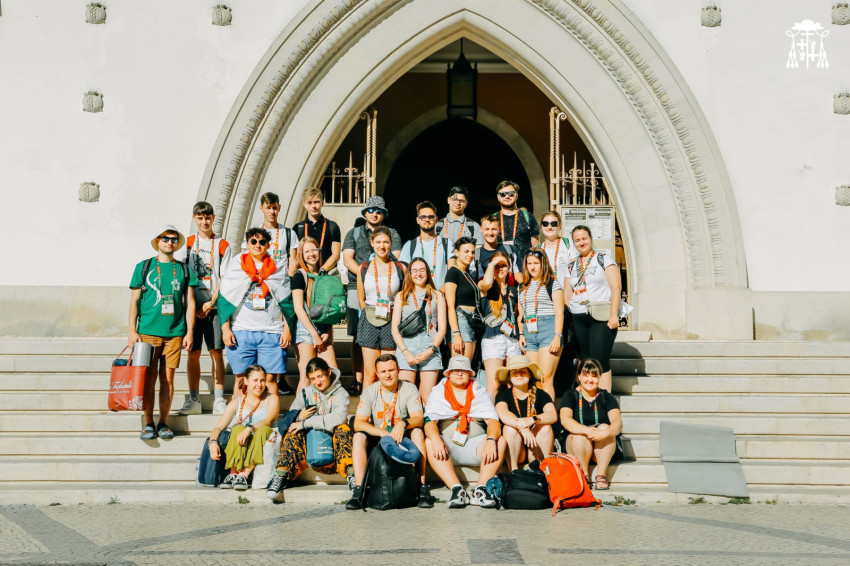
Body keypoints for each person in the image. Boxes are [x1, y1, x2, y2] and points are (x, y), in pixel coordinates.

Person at [128, 225, 198, 440]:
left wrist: (190, 332)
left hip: (175, 332)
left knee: (167, 379)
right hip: (148, 332)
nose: (170, 242)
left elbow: (190, 303)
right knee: (148, 379)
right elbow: (135, 301)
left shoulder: (184, 269)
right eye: (165, 238)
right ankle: (148, 422)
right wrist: (132, 331)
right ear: (157, 241)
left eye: (174, 239)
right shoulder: (144, 266)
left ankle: (164, 423)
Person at [217, 227, 286, 421]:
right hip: (241, 330)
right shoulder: (237, 265)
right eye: (254, 241)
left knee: (270, 378)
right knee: (241, 378)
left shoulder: (277, 266)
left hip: (271, 331)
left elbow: (286, 300)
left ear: (268, 245)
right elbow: (225, 297)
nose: (258, 245)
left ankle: (268, 420)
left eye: (262, 242)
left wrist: (287, 329)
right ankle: (240, 419)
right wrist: (225, 328)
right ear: (246, 244)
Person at [346, 354, 431, 510]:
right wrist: (380, 432)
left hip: (402, 437)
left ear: (398, 370)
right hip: (379, 437)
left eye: (391, 370)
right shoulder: (370, 391)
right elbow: (358, 423)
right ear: (377, 374)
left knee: (418, 433)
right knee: (358, 436)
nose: (388, 375)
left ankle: (422, 486)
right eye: (383, 371)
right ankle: (359, 491)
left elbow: (419, 418)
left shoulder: (409, 388)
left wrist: (403, 423)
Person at [423, 356, 506, 509]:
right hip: (448, 448)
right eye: (455, 370)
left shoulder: (479, 391)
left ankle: (480, 490)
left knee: (500, 440)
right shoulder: (438, 391)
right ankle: (457, 490)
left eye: (463, 371)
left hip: (475, 446)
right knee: (429, 441)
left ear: (470, 373)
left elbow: (493, 421)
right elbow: (429, 422)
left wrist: (490, 440)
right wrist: (435, 438)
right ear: (449, 373)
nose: (459, 373)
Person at [342, 196, 403, 395]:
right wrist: (366, 272)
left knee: (388, 366)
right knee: (356, 335)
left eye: (378, 210)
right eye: (370, 210)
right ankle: (357, 380)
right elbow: (347, 258)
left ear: (384, 214)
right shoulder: (354, 232)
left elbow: (396, 259)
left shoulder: (393, 233)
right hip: (360, 286)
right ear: (365, 213)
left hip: (388, 294)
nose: (374, 213)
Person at [266, 358, 352, 499]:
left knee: (343, 429)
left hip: (334, 448)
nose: (317, 382)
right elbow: (287, 421)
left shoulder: (340, 393)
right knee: (293, 431)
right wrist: (299, 417)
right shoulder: (305, 393)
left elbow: (339, 417)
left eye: (320, 376)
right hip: (310, 447)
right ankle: (280, 476)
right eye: (312, 379)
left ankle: (352, 476)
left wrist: (306, 423)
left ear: (328, 372)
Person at [177, 201, 232, 416]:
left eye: (207, 217)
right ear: (195, 219)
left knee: (216, 352)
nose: (204, 221)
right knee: (193, 353)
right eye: (200, 218)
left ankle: (219, 399)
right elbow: (182, 275)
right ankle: (194, 399)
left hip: (214, 306)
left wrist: (210, 302)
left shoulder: (222, 244)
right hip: (192, 306)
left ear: (213, 218)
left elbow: (225, 278)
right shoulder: (188, 243)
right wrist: (193, 304)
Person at [565, 225, 621, 392]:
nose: (581, 242)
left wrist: (613, 315)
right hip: (578, 317)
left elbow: (616, 289)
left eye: (584, 238)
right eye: (577, 240)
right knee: (585, 359)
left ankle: (604, 399)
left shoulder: (604, 259)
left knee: (600, 359)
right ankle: (587, 398)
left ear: (590, 239)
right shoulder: (572, 265)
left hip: (600, 316)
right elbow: (568, 295)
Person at [207, 364, 279, 491]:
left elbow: (268, 421)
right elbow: (218, 427)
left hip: (261, 440)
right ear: (246, 381)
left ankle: (244, 474)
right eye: (255, 380)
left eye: (262, 380)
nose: (259, 384)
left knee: (263, 430)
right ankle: (234, 473)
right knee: (237, 428)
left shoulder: (272, 398)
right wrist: (212, 442)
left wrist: (249, 429)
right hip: (241, 444)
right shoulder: (237, 402)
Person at [559, 358, 622, 490]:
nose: (589, 380)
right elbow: (565, 420)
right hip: (577, 445)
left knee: (606, 427)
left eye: (594, 376)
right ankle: (584, 474)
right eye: (586, 375)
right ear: (579, 377)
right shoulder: (570, 395)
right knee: (579, 435)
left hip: (601, 446)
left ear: (599, 377)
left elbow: (617, 423)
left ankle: (601, 475)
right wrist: (587, 431)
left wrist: (604, 433)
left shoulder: (607, 397)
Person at [391, 257, 447, 403]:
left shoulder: (438, 295)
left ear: (427, 273)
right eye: (414, 271)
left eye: (422, 270)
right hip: (406, 348)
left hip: (430, 348)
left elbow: (442, 328)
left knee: (426, 397)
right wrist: (406, 352)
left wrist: (430, 351)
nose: (418, 274)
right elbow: (395, 329)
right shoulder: (401, 296)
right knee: (406, 398)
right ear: (409, 274)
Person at [494, 355, 557, 470]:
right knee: (508, 429)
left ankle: (546, 470)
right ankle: (514, 472)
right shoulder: (503, 394)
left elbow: (552, 415)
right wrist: (523, 428)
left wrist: (531, 420)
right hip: (518, 450)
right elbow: (503, 413)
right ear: (510, 377)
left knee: (545, 427)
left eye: (522, 371)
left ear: (530, 374)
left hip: (535, 448)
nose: (519, 374)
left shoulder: (541, 394)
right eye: (514, 372)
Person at [291, 237, 338, 393]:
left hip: (323, 330)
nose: (311, 254)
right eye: (307, 251)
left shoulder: (325, 275)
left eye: (314, 250)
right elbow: (298, 308)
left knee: (332, 374)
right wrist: (314, 334)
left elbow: (330, 308)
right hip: (305, 331)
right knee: (306, 378)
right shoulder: (299, 275)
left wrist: (327, 330)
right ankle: (300, 408)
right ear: (301, 255)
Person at [517, 248, 564, 400]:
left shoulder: (552, 283)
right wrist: (521, 334)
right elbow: (521, 314)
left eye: (536, 263)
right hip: (529, 333)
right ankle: (538, 411)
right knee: (535, 380)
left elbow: (559, 312)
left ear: (543, 263)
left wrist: (557, 336)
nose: (532, 267)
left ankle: (548, 413)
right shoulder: (522, 286)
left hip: (548, 329)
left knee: (545, 379)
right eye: (529, 263)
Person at [477, 251, 521, 399]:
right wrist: (492, 264)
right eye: (497, 265)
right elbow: (487, 283)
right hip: (493, 338)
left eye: (504, 265)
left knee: (513, 383)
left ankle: (510, 411)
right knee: (494, 384)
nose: (500, 268)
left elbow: (517, 315)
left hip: (512, 338)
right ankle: (491, 413)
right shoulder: (485, 286)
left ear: (509, 267)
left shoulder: (513, 289)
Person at [443, 237, 480, 361]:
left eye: (472, 252)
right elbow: (450, 306)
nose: (470, 255)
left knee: (467, 367)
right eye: (466, 251)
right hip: (460, 321)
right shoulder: (453, 273)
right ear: (457, 252)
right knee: (461, 366)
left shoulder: (467, 273)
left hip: (471, 322)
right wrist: (456, 333)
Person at [399, 201, 450, 289]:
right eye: (423, 217)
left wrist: (438, 294)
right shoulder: (409, 245)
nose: (427, 220)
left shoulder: (447, 244)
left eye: (431, 217)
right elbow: (405, 276)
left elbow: (452, 275)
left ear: (436, 219)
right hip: (417, 296)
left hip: (441, 295)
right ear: (418, 220)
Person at [246, 192, 298, 275]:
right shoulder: (253, 234)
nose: (272, 211)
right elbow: (246, 258)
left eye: (274, 208)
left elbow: (293, 262)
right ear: (261, 208)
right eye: (268, 208)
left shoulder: (290, 234)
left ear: (279, 208)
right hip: (259, 279)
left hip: (281, 280)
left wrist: (289, 280)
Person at [292, 188, 342, 275]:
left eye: (316, 202)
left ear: (322, 202)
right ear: (304, 204)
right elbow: (294, 257)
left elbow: (336, 255)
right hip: (305, 275)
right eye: (310, 202)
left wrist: (322, 271)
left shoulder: (332, 226)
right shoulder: (298, 228)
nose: (313, 206)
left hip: (327, 274)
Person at [436, 186, 483, 268]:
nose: (458, 203)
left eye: (461, 201)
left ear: (466, 204)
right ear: (448, 200)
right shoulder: (437, 226)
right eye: (454, 199)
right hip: (442, 271)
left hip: (466, 271)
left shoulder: (474, 226)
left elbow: (478, 255)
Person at [494, 180, 539, 266]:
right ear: (498, 197)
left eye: (511, 193)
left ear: (516, 195)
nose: (507, 196)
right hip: (500, 267)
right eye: (503, 194)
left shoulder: (528, 217)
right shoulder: (493, 219)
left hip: (524, 268)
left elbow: (536, 247)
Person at [473, 214, 521, 284]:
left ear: (499, 229)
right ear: (481, 229)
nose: (490, 233)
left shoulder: (510, 250)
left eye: (494, 229)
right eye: (487, 229)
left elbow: (519, 277)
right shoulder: (476, 255)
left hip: (509, 289)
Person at [537, 211, 577, 289]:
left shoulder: (569, 244)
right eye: (545, 224)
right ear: (541, 226)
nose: (549, 227)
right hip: (545, 293)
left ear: (560, 226)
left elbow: (576, 271)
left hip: (567, 292)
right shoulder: (538, 249)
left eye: (553, 224)